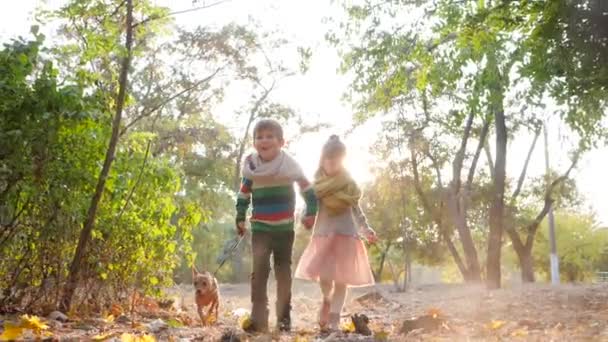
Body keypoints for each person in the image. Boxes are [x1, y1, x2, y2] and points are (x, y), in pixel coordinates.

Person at [235, 119, 317, 333]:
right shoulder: (251, 168)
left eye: (270, 136)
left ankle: (284, 318)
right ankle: (258, 319)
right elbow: (243, 194)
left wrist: (311, 211)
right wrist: (240, 217)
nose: (264, 140)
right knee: (259, 273)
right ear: (254, 143)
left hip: (284, 230)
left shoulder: (289, 165)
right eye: (259, 137)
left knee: (283, 273)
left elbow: (307, 189)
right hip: (261, 229)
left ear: (281, 142)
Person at [295, 135, 377, 331]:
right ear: (322, 160)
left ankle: (334, 316)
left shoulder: (349, 185)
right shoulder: (316, 188)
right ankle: (326, 299)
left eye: (337, 158)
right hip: (324, 236)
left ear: (343, 160)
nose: (332, 162)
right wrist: (305, 218)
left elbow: (357, 210)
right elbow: (309, 209)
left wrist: (366, 229)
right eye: (328, 158)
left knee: (342, 280)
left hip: (346, 236)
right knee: (325, 277)